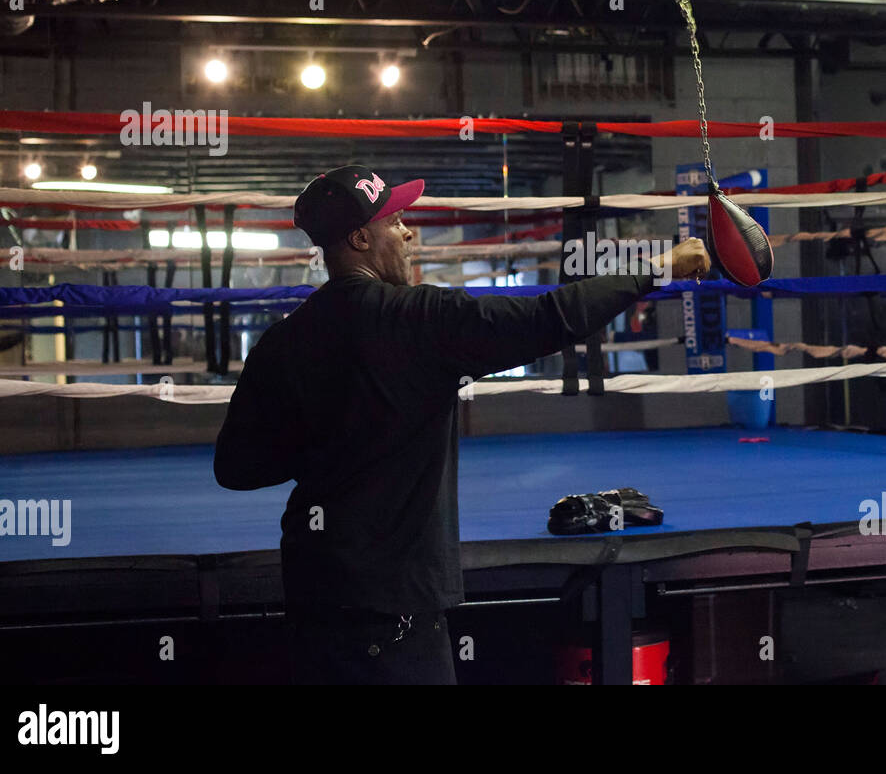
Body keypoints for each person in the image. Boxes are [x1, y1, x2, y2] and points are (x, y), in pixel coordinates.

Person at [213, 166, 710, 684]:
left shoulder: (282, 341)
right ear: (360, 238)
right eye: (396, 221)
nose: (408, 233)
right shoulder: (419, 320)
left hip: (311, 598)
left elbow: (236, 467)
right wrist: (659, 267)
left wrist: (331, 439)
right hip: (395, 613)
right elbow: (550, 318)